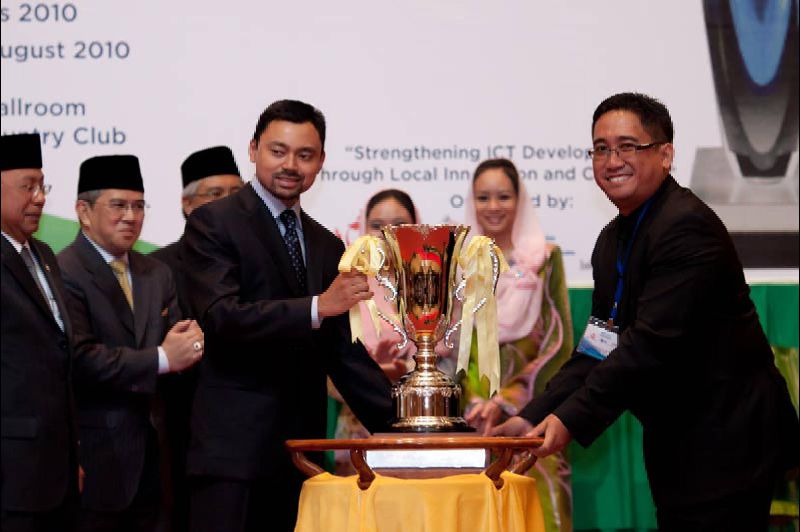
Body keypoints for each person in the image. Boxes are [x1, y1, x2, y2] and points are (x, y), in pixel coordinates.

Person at [492, 92, 800, 531]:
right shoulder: (611, 241)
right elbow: (598, 348)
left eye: (627, 146)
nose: (612, 160)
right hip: (678, 440)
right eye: (601, 149)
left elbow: (648, 346)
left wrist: (567, 420)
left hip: (731, 436)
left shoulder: (687, 226)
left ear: (665, 155)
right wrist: (531, 416)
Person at [181, 99, 393, 532]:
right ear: (253, 149)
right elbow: (222, 317)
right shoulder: (213, 223)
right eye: (278, 151)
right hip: (234, 457)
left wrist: (410, 429)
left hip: (302, 456)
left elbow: (344, 354)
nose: (291, 165)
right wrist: (318, 306)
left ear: (321, 162)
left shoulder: (325, 244)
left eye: (305, 155)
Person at [57, 154, 204, 532]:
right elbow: (81, 358)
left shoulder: (156, 272)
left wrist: (192, 347)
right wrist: (163, 358)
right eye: (118, 205)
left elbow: (179, 342)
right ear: (84, 212)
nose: (131, 216)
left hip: (157, 461)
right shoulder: (64, 271)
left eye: (139, 206)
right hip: (96, 460)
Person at [460, 158, 572, 532]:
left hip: (534, 419)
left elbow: (558, 343)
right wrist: (474, 403)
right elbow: (455, 346)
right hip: (473, 422)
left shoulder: (545, 259)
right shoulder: (461, 265)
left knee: (537, 515)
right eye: (483, 197)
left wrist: (508, 401)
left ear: (519, 200)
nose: (493, 206)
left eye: (504, 196)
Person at [149, 145, 243, 532]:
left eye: (236, 194)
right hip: (184, 432)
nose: (227, 204)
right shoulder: (156, 268)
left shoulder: (260, 261)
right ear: (187, 205)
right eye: (214, 194)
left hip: (252, 435)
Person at [1, 133, 79, 531]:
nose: (40, 198)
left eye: (42, 186)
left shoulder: (45, 255)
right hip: (11, 472)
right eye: (27, 186)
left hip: (56, 468)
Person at [329, 189, 417, 473]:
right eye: (377, 225)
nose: (387, 234)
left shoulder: (431, 284)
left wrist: (404, 370)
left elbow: (450, 360)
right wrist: (371, 374)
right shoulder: (347, 286)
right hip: (356, 423)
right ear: (363, 230)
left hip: (418, 420)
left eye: (399, 225)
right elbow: (329, 364)